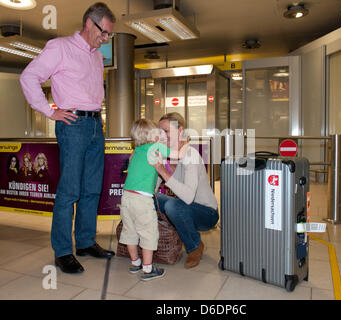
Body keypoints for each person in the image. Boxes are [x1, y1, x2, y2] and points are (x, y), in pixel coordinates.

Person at [19, 2, 116, 274]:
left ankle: (85, 242)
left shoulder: (97, 56)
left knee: (92, 189)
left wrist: (98, 119)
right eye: (104, 32)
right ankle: (63, 251)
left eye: (109, 35)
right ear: (89, 23)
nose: (106, 39)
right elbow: (29, 77)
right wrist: (51, 112)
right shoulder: (59, 47)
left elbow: (91, 90)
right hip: (72, 125)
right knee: (70, 190)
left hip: (96, 125)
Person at [149, 112, 219, 269]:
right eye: (159, 132)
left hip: (207, 213)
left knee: (173, 206)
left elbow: (188, 197)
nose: (161, 136)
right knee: (148, 197)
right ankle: (167, 235)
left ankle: (194, 246)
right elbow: (154, 188)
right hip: (184, 206)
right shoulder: (166, 155)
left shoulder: (190, 155)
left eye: (166, 131)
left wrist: (162, 171)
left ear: (180, 130)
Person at [120, 119, 187, 281]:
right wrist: (184, 142)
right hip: (142, 200)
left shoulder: (136, 151)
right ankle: (147, 269)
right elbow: (178, 154)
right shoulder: (155, 147)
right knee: (148, 232)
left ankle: (135, 263)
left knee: (130, 231)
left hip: (126, 197)